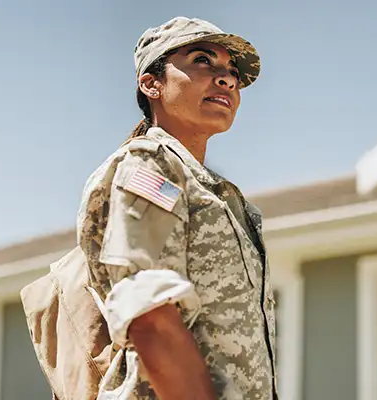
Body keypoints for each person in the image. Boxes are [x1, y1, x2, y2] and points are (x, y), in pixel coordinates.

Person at [76, 16, 277, 400]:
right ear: (151, 84)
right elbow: (150, 316)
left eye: (232, 72)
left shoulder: (219, 193)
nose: (227, 79)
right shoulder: (151, 166)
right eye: (203, 60)